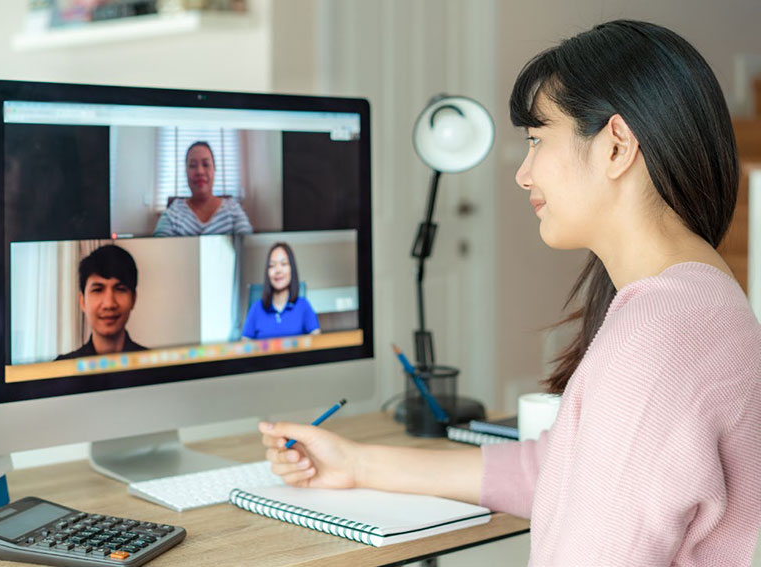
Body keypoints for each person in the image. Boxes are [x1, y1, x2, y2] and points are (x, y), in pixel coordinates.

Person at [258, 20, 761, 565]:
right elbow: (559, 470)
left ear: (616, 147)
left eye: (538, 141)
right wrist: (357, 464)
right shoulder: (705, 300)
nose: (523, 174)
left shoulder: (657, 339)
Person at [56, 245, 147, 359]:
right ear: (82, 301)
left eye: (120, 289)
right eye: (98, 290)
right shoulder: (62, 368)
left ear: (133, 299)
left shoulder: (156, 366)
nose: (109, 304)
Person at [152, 141, 253, 237]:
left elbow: (248, 245)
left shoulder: (232, 209)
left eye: (206, 164)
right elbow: (158, 246)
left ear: (214, 169)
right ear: (186, 171)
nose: (200, 171)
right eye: (192, 166)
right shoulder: (174, 212)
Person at [241, 242, 320, 339]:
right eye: (272, 265)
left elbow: (317, 342)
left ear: (292, 269)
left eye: (283, 264)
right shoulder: (256, 308)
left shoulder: (304, 305)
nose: (278, 270)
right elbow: (244, 346)